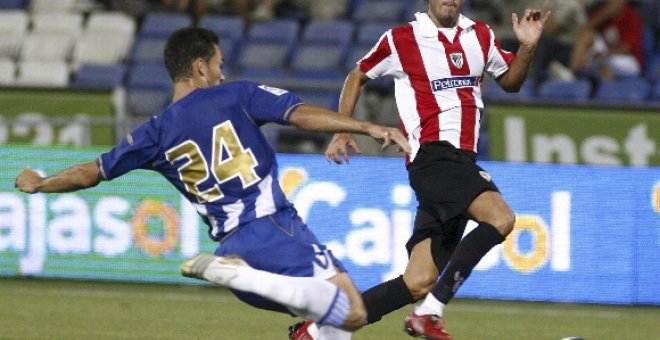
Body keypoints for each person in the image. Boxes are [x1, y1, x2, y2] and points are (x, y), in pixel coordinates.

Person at [14, 27, 411, 338]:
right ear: (201, 67)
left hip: (233, 244)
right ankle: (239, 274)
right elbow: (299, 113)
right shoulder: (234, 96)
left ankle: (240, 275)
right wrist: (363, 125)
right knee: (353, 308)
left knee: (331, 323)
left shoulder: (154, 133)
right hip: (271, 228)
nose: (223, 72)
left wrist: (42, 183)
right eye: (219, 64)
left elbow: (90, 173)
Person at [303, 1, 549, 339]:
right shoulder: (402, 38)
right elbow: (357, 74)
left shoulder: (479, 34)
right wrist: (343, 129)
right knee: (501, 218)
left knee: (417, 281)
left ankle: (318, 331)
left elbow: (511, 82)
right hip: (432, 157)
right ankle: (430, 313)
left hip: (461, 162)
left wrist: (527, 47)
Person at [566, 0, 644, 81]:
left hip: (628, 59)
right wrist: (604, 15)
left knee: (605, 64)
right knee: (586, 36)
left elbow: (625, 49)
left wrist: (604, 56)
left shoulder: (632, 17)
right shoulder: (603, 11)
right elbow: (582, 31)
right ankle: (571, 75)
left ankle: (606, 87)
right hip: (607, 52)